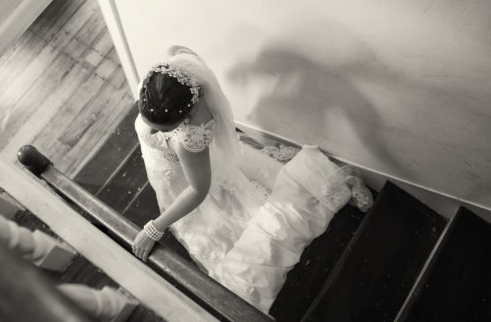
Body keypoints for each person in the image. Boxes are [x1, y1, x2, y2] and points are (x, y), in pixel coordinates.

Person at [132, 47, 373, 312]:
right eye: (149, 122)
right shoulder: (166, 81)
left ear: (184, 119)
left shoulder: (190, 139)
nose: (151, 130)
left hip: (183, 176)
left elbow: (198, 190)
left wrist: (154, 228)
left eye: (161, 129)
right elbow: (178, 50)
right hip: (166, 164)